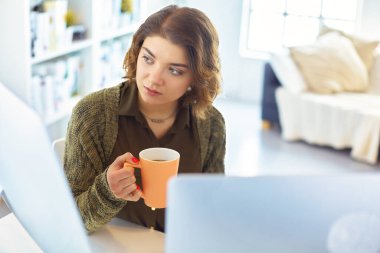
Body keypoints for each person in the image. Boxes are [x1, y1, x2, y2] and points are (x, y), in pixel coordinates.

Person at [64, 5, 226, 233]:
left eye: (175, 70)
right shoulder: (92, 114)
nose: (154, 78)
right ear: (137, 52)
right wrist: (107, 191)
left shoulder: (211, 124)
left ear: (197, 77)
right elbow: (69, 220)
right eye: (148, 59)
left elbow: (212, 206)